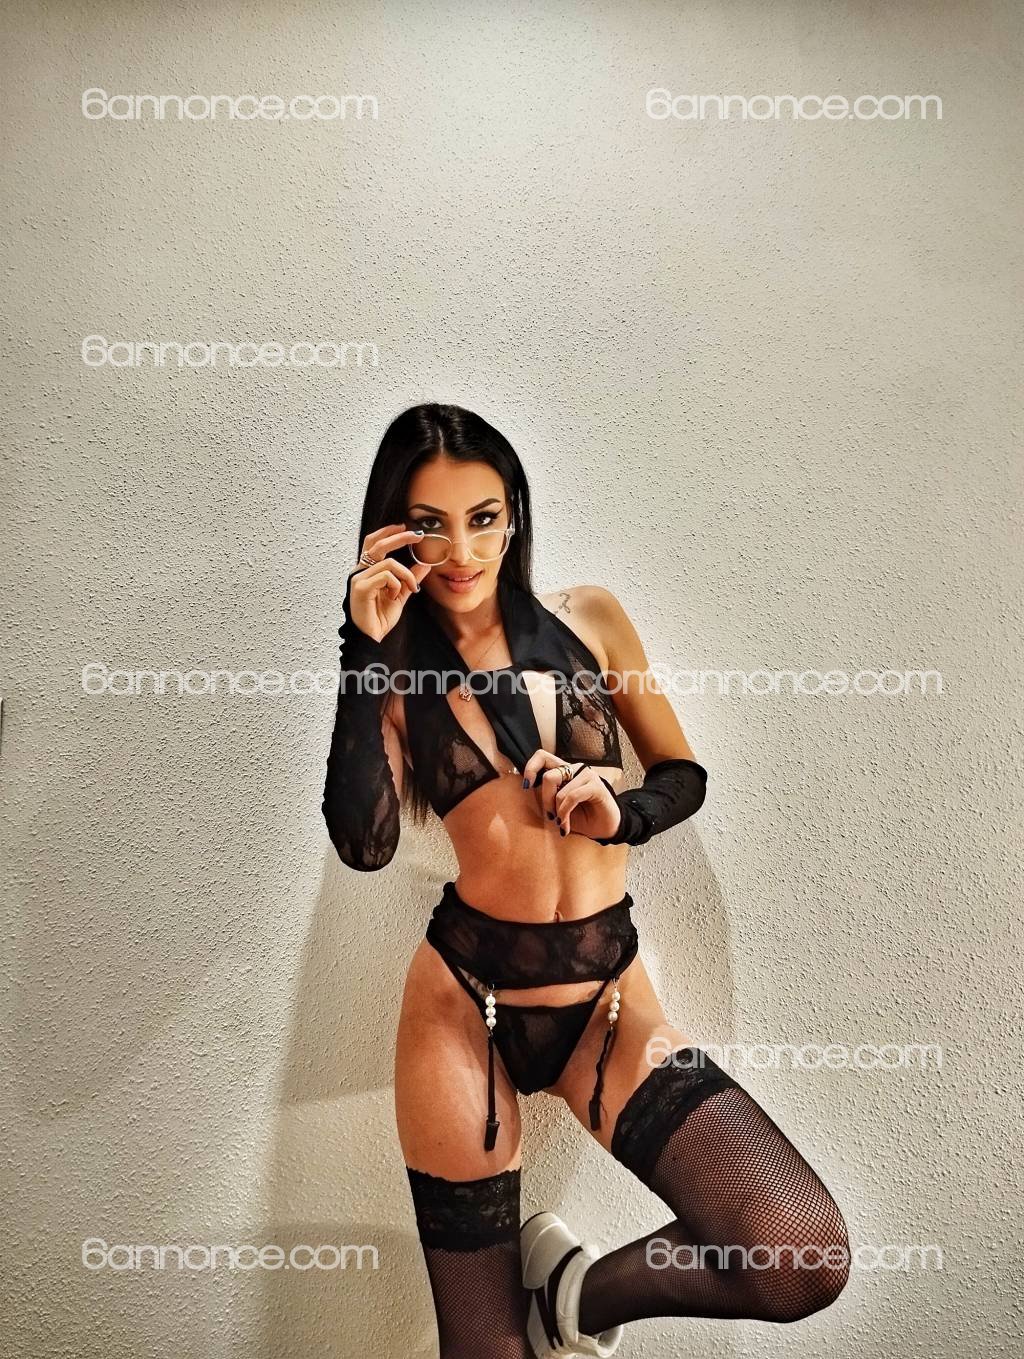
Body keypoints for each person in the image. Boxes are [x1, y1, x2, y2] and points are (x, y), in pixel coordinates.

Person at [322, 404, 850, 1358]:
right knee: (484, 1351)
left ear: (514, 515)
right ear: (393, 532)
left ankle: (573, 1295)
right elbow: (363, 845)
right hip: (464, 1005)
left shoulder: (589, 618)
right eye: (430, 523)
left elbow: (680, 773)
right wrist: (361, 648)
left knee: (798, 1250)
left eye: (483, 517)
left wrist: (622, 809)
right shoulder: (392, 676)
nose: (461, 550)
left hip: (608, 999)